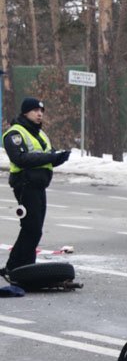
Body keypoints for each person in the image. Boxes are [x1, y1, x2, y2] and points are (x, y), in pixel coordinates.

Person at [4, 97, 71, 279]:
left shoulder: (40, 134)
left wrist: (59, 157)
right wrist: (50, 157)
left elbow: (47, 157)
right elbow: (20, 158)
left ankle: (20, 267)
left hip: (39, 185)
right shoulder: (15, 133)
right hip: (25, 185)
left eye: (41, 111)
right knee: (31, 228)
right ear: (25, 112)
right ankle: (19, 267)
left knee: (34, 229)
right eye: (35, 110)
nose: (40, 114)